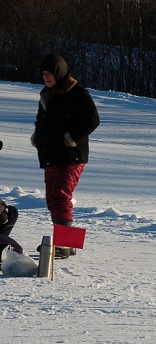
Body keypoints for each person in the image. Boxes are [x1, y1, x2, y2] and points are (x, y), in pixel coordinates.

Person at [31, 54, 100, 257]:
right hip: (51, 155)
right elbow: (40, 120)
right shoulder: (46, 94)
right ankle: (66, 244)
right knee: (52, 199)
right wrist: (38, 136)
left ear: (59, 73)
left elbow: (93, 119)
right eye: (43, 74)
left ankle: (64, 244)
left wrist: (72, 137)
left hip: (72, 155)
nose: (46, 77)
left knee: (61, 195)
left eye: (50, 73)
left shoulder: (76, 92)